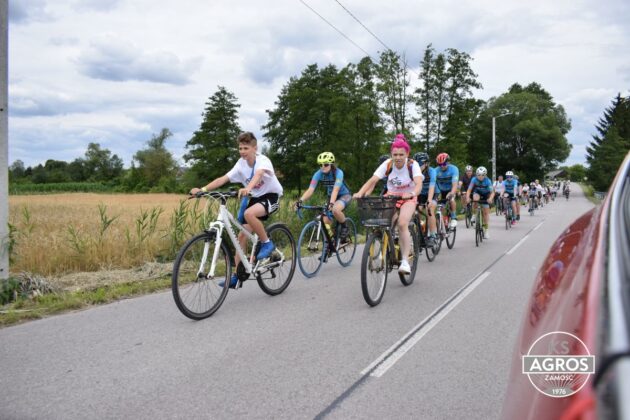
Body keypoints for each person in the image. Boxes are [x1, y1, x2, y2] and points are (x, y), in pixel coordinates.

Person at [190, 132, 283, 288]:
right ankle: (238, 276)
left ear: (255, 148)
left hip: (271, 196)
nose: (242, 151)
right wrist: (203, 189)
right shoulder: (240, 164)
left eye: (246, 148)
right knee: (241, 236)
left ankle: (267, 243)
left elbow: (259, 174)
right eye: (240, 148)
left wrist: (248, 188)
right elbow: (223, 178)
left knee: (249, 213)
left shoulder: (263, 160)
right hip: (254, 198)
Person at [354, 135, 423, 274]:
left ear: (407, 154)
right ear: (391, 154)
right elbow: (373, 180)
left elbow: (419, 184)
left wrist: (412, 193)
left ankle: (404, 261)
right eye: (395, 154)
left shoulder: (412, 165)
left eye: (401, 154)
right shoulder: (387, 164)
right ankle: (385, 248)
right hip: (391, 197)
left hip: (408, 198)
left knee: (403, 223)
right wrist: (360, 193)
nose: (398, 157)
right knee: (383, 223)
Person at [296, 152, 352, 242]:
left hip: (344, 195)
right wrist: (300, 200)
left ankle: (345, 227)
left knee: (335, 210)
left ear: (331, 164)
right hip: (331, 196)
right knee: (324, 221)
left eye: (325, 164)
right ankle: (330, 243)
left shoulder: (339, 173)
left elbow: (335, 190)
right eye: (320, 164)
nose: (323, 167)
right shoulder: (318, 174)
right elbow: (310, 190)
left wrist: (331, 204)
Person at [414, 152, 438, 248]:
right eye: (417, 164)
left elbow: (432, 187)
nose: (419, 167)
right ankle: (419, 232)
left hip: (433, 193)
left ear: (426, 164)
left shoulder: (432, 171)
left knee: (430, 209)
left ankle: (433, 235)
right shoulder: (413, 172)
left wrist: (429, 200)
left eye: (421, 164)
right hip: (420, 194)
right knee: (416, 212)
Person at [466, 166, 495, 239]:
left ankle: (486, 230)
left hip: (486, 195)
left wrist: (490, 199)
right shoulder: (474, 179)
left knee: (486, 214)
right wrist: (467, 197)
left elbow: (492, 192)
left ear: (485, 175)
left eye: (482, 175)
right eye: (479, 175)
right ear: (476, 175)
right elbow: (469, 190)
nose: (480, 177)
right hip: (477, 193)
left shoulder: (488, 181)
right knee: (475, 199)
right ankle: (474, 214)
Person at [435, 153, 459, 229]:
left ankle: (454, 218)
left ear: (448, 162)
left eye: (444, 164)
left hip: (451, 189)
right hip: (440, 190)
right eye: (440, 164)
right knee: (440, 207)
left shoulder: (454, 169)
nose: (442, 166)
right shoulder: (435, 171)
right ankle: (442, 222)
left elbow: (455, 185)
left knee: (451, 199)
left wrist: (452, 193)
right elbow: (433, 184)